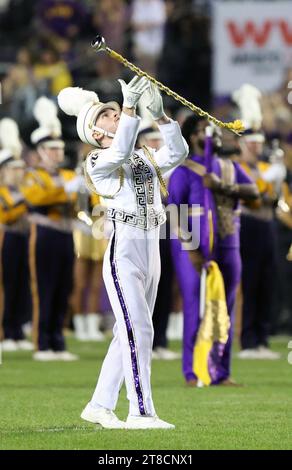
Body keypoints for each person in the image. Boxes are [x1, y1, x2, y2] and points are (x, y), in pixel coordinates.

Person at [58, 75, 189, 429]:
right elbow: (118, 151)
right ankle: (140, 411)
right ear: (95, 132)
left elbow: (178, 153)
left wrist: (161, 117)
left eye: (116, 111)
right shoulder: (97, 160)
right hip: (125, 247)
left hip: (152, 244)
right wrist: (130, 107)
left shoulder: (141, 155)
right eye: (107, 115)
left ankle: (99, 405)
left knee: (127, 331)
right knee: (140, 329)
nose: (115, 114)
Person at [168, 115, 258, 386]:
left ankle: (220, 371)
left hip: (229, 241)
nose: (211, 135)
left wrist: (222, 186)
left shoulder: (229, 167)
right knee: (195, 304)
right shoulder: (184, 171)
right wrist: (190, 248)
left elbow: (253, 191)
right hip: (194, 245)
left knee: (224, 307)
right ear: (191, 137)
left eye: (214, 130)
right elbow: (173, 212)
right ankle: (193, 371)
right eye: (202, 130)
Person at [21, 96, 82, 361]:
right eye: (53, 149)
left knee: (64, 287)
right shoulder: (33, 174)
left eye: (60, 148)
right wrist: (64, 191)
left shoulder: (68, 175)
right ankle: (42, 343)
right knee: (43, 288)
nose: (59, 153)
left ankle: (58, 342)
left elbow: (81, 201)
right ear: (41, 151)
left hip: (67, 234)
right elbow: (36, 198)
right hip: (44, 234)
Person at [0, 118, 33, 352]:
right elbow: (6, 216)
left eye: (20, 169)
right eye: (14, 169)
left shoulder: (23, 190)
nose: (18, 173)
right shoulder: (3, 191)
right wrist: (27, 202)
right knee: (8, 284)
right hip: (7, 239)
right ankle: (7, 329)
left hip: (23, 238)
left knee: (23, 284)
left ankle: (19, 328)